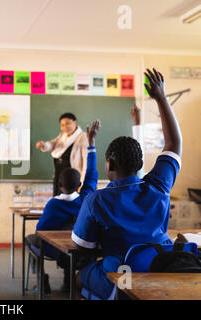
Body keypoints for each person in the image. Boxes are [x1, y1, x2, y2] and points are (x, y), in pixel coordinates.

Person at [72, 68, 182, 300]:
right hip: (161, 271)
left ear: (109, 165)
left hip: (123, 278)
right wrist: (161, 98)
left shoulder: (96, 200)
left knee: (79, 276)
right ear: (141, 163)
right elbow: (173, 144)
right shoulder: (158, 186)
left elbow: (83, 248)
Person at [26, 120, 100, 292]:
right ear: (79, 184)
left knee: (31, 240)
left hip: (55, 251)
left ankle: (42, 281)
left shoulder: (53, 205)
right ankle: (69, 282)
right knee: (72, 243)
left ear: (59, 185)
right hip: (79, 248)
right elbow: (92, 173)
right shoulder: (86, 199)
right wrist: (92, 145)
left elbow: (41, 231)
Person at [36, 113, 89, 196]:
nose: (65, 127)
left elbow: (87, 161)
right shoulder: (62, 136)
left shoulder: (83, 137)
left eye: (68, 123)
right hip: (59, 177)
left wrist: (82, 182)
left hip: (72, 180)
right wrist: (44, 145)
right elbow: (53, 144)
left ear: (75, 123)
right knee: (59, 200)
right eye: (62, 125)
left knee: (70, 203)